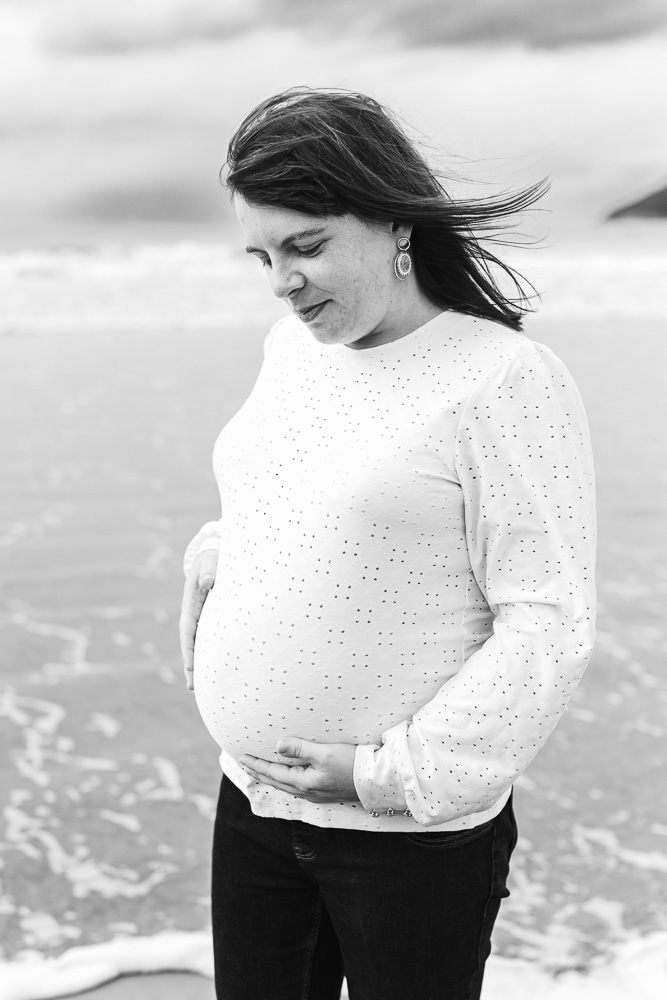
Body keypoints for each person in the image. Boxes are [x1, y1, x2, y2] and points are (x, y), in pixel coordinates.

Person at [179, 88, 596, 1000]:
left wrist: (384, 774)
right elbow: (282, 504)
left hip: (404, 846)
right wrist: (214, 586)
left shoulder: (501, 379)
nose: (281, 281)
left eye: (306, 245)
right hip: (252, 808)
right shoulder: (290, 350)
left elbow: (547, 621)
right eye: (261, 254)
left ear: (395, 223)